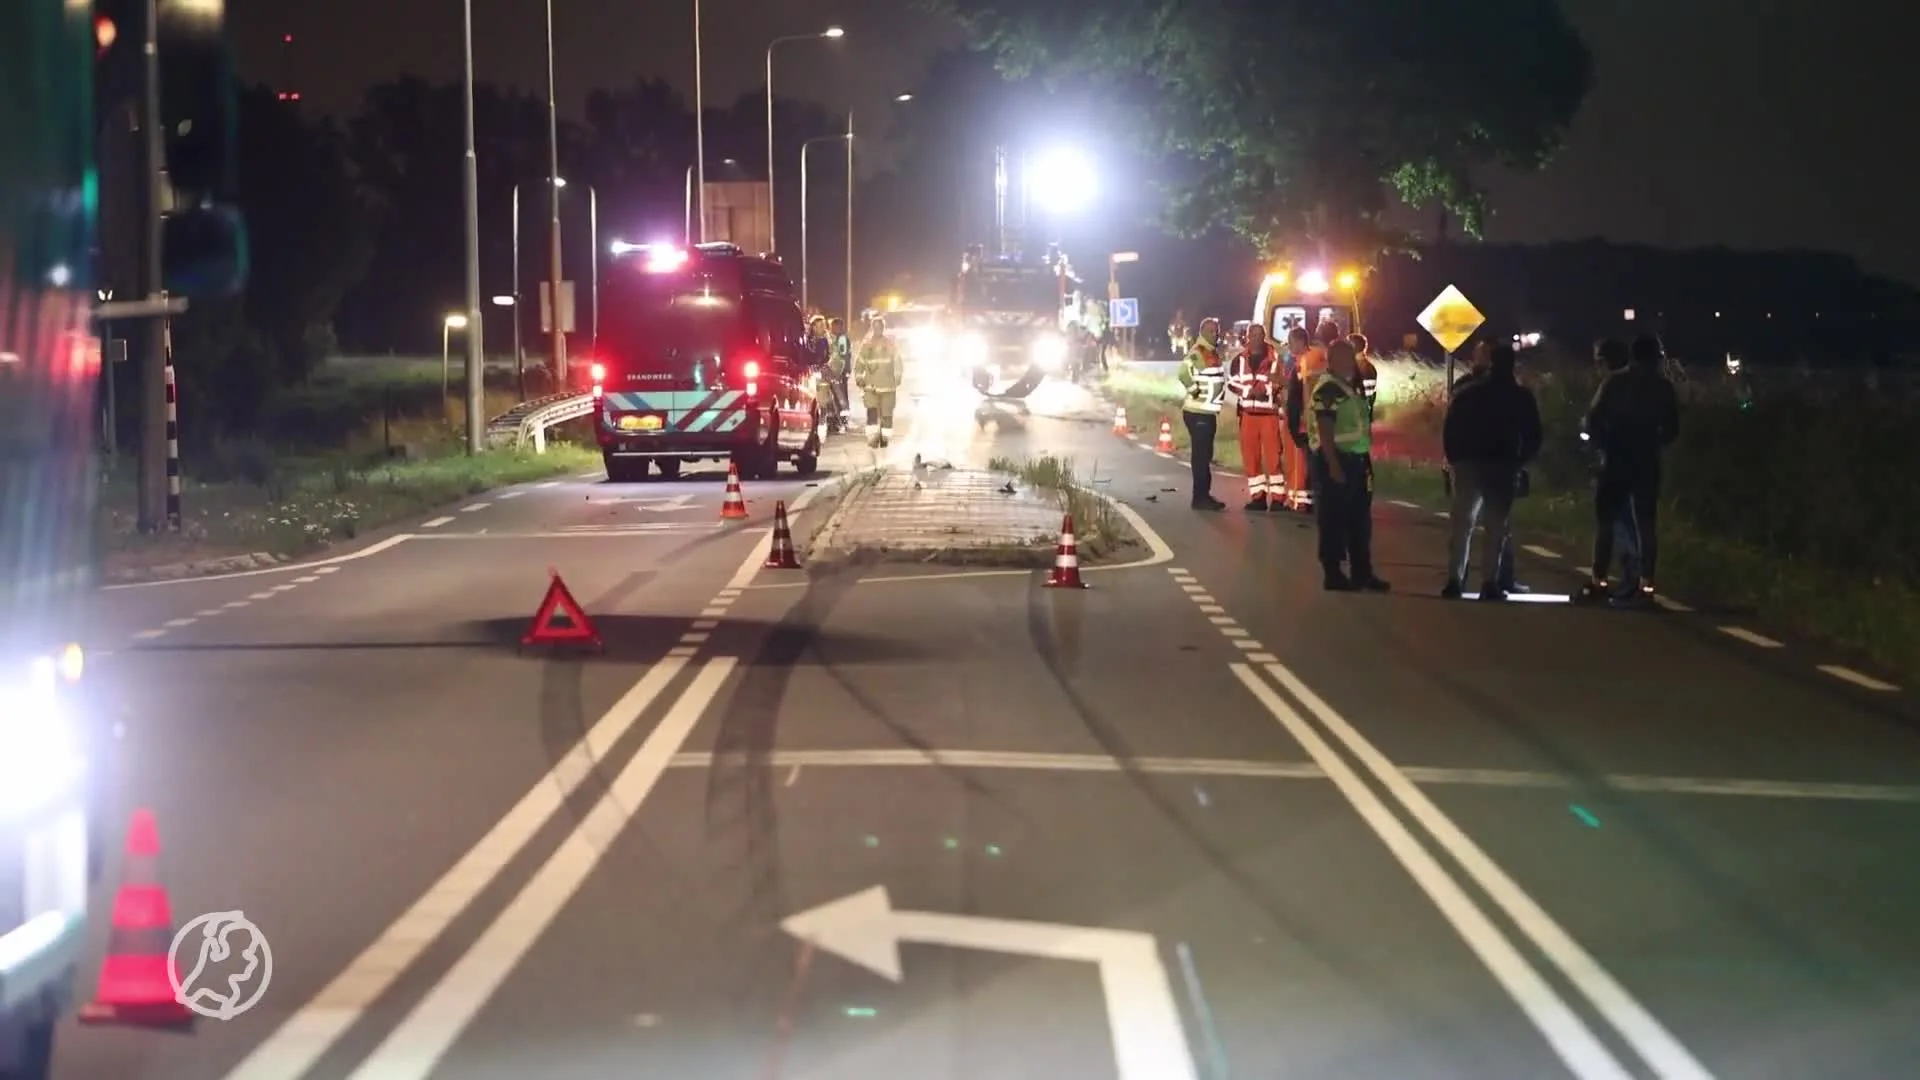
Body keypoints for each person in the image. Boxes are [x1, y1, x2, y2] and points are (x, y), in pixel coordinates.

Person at [1580, 334, 1680, 604]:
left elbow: (1593, 417)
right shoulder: (1664, 387)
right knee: (1645, 523)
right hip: (1646, 459)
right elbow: (1673, 427)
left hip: (1616, 457)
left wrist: (1602, 443)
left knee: (1606, 521)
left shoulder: (1615, 382)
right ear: (1656, 358)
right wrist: (1654, 442)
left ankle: (1599, 582)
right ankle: (1646, 585)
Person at [1441, 343, 1543, 600]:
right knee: (1495, 527)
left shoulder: (1468, 393)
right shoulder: (1520, 397)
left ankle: (1454, 580)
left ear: (1491, 363)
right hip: (1503, 466)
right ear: (1513, 364)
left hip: (1468, 463)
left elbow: (1451, 426)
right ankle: (1489, 583)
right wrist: (1520, 461)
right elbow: (1534, 434)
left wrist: (1454, 457)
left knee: (1462, 524)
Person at [1309, 340, 1389, 591]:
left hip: (1357, 460)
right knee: (1333, 519)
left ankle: (1362, 573)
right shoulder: (1328, 388)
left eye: (1351, 357)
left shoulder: (1348, 385)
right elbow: (1325, 429)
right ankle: (1333, 573)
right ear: (1332, 360)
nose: (1351, 362)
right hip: (1337, 459)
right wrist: (1333, 464)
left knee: (1359, 520)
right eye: (1345, 358)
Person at [1228, 323, 1285, 510]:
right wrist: (1248, 392)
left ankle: (1278, 498)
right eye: (1253, 335)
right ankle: (1258, 497)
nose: (1256, 338)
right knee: (1250, 457)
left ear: (1264, 336)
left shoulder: (1275, 358)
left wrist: (1265, 391)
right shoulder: (1239, 360)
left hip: (1269, 414)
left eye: (1260, 335)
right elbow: (1232, 383)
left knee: (1273, 457)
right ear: (1247, 337)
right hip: (1247, 414)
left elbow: (1280, 381)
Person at [1176, 316, 1228, 510]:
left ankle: (1203, 495)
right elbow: (1183, 372)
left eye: (1217, 331)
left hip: (1206, 412)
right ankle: (1200, 498)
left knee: (1205, 455)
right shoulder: (1199, 352)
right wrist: (1194, 390)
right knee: (1201, 456)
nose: (1216, 334)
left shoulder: (1211, 352)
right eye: (1211, 331)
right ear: (1203, 332)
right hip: (1198, 412)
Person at [1279, 326, 1321, 512]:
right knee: (1295, 458)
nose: (1290, 346)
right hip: (1294, 414)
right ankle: (1296, 498)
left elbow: (1306, 388)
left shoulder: (1308, 360)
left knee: (1301, 459)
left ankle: (1302, 500)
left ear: (1300, 341)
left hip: (1302, 417)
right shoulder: (1296, 360)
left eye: (1291, 342)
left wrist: (1305, 414)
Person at [854, 315, 904, 449]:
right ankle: (873, 438)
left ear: (883, 328)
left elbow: (898, 361)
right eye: (875, 327)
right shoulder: (866, 345)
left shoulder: (889, 344)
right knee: (871, 413)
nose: (877, 330)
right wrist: (859, 377)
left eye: (879, 327)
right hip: (871, 386)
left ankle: (885, 438)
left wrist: (897, 376)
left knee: (887, 415)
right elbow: (859, 364)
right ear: (872, 328)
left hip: (888, 386)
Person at [828, 317, 853, 423]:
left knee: (841, 395)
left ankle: (843, 417)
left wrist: (841, 371)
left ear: (839, 327)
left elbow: (843, 356)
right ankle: (840, 416)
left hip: (840, 372)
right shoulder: (837, 339)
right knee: (839, 394)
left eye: (833, 326)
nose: (831, 329)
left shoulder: (842, 339)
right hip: (838, 371)